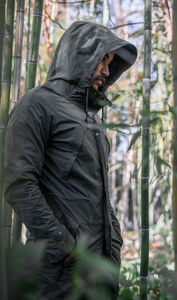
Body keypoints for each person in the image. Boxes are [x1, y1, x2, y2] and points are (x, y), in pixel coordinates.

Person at [4, 21, 137, 299]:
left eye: (110, 62)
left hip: (101, 265)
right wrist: (62, 244)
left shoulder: (93, 119)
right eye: (102, 60)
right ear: (79, 56)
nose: (105, 71)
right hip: (61, 271)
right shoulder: (36, 104)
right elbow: (19, 184)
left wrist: (113, 237)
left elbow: (96, 191)